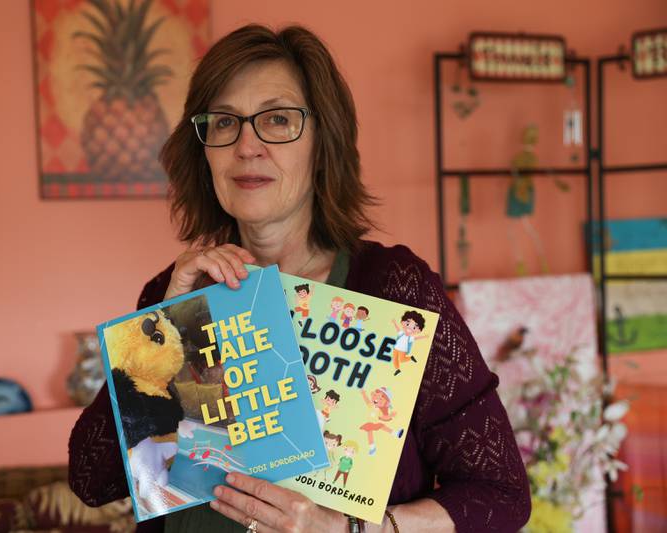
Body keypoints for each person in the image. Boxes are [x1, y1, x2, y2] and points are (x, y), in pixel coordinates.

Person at [68, 24, 531, 533]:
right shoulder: (172, 293)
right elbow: (93, 480)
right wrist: (158, 323)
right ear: (204, 152)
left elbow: (500, 496)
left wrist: (350, 529)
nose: (247, 145)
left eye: (278, 119)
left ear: (322, 142)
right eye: (224, 123)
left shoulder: (392, 288)